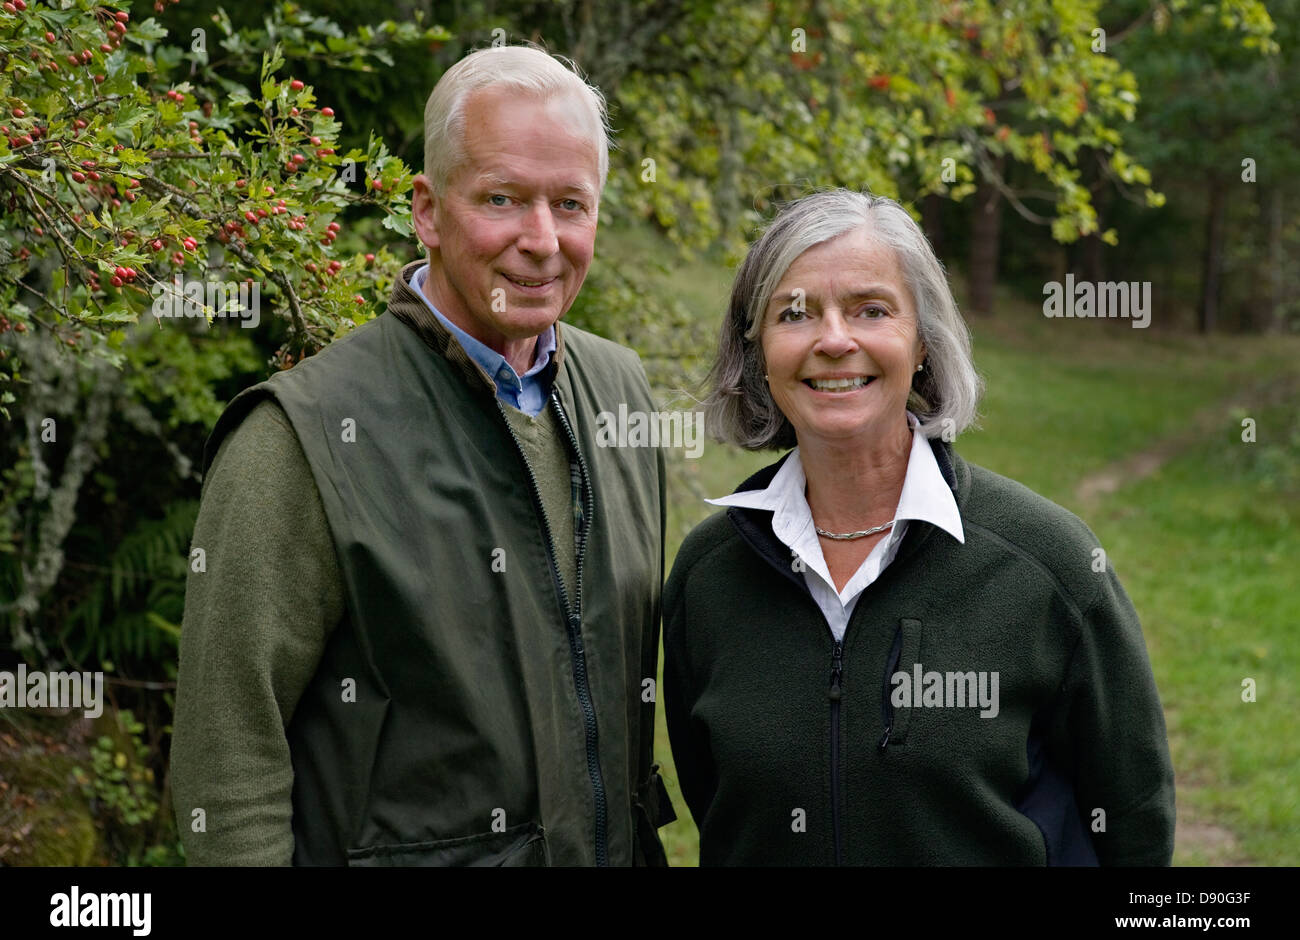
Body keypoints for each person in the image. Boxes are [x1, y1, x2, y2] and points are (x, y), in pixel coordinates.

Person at [171, 45, 675, 866]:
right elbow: (227, 761)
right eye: (503, 199)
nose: (541, 240)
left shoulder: (622, 394)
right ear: (428, 210)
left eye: (571, 204)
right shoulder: (300, 438)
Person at [663, 188, 1175, 866]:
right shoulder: (708, 575)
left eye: (870, 309)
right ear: (756, 350)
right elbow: (717, 808)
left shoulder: (1051, 566)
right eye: (795, 313)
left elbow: (1133, 825)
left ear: (924, 343)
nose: (834, 339)